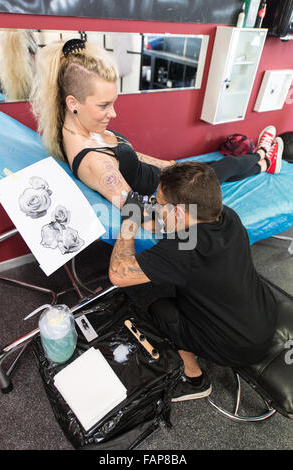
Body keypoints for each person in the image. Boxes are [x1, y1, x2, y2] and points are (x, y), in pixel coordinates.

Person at [30, 38, 283, 211]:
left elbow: (129, 156)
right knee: (221, 169)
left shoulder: (75, 126)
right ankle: (263, 154)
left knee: (219, 170)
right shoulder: (95, 164)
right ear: (73, 102)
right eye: (104, 105)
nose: (114, 113)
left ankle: (263, 164)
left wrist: (170, 165)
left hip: (165, 175)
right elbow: (137, 210)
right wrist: (177, 212)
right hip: (170, 190)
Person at [108, 161, 278, 401]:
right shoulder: (226, 216)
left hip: (237, 346)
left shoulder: (182, 251)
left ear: (178, 212)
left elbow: (118, 273)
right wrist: (153, 215)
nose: (155, 206)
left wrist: (129, 222)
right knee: (172, 280)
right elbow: (173, 228)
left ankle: (194, 377)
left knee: (157, 304)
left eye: (159, 202)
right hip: (263, 317)